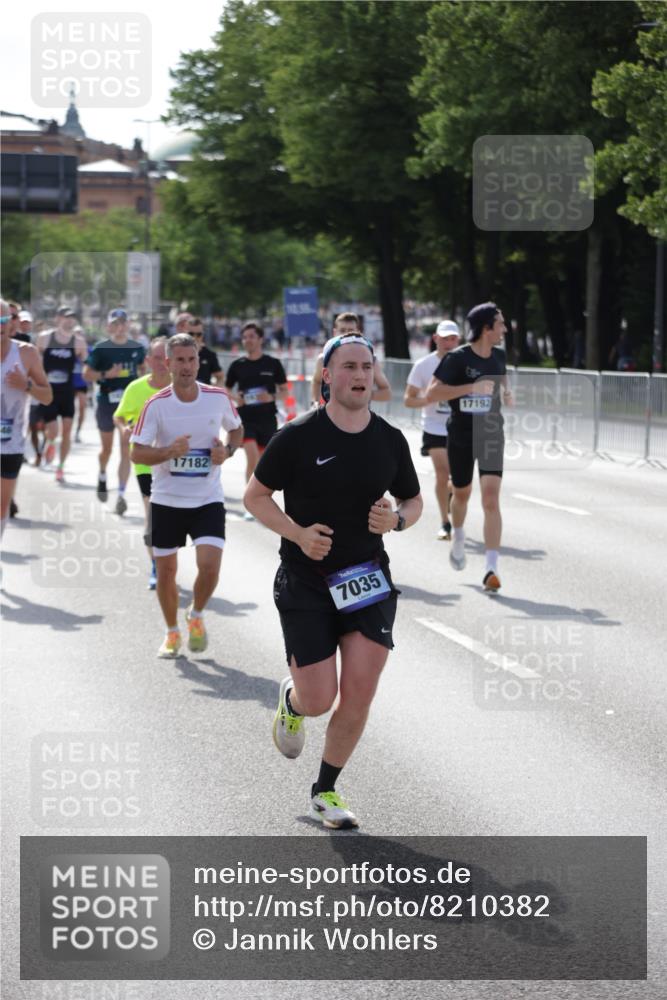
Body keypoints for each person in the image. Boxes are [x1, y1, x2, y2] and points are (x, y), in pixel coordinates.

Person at [244, 334, 423, 830]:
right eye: (349, 366)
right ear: (327, 374)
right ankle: (294, 701)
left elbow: (413, 501)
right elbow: (255, 496)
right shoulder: (298, 436)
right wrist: (299, 534)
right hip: (307, 581)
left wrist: (399, 522)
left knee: (360, 691)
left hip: (367, 578)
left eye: (366, 366)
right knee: (320, 699)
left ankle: (325, 790)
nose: (360, 375)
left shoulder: (389, 439)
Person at [131, 333, 244, 657]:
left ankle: (195, 616)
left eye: (191, 359)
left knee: (209, 567)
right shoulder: (156, 405)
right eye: (179, 360)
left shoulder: (216, 397)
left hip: (207, 498)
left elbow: (236, 429)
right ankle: (171, 633)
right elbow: (137, 454)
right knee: (166, 573)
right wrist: (168, 451)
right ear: (167, 364)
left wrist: (229, 450)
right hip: (167, 500)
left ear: (198, 361)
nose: (186, 366)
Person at [425, 302, 512, 592]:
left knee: (491, 499)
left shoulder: (499, 357)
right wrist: (469, 388)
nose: (504, 329)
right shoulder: (458, 358)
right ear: (486, 327)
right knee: (461, 493)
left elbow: (502, 384)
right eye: (500, 324)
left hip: (491, 435)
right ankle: (459, 536)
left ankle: (491, 568)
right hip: (461, 435)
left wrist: (508, 395)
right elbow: (432, 392)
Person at [113, 337, 171, 590]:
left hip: (175, 462)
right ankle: (157, 565)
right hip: (146, 462)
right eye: (156, 358)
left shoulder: (181, 388)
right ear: (148, 361)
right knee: (153, 515)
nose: (161, 363)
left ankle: (166, 556)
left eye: (165, 358)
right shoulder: (135, 389)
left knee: (173, 517)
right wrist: (125, 428)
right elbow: (119, 416)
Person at [83, 308, 146, 514]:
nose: (119, 327)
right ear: (109, 326)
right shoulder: (101, 349)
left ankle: (121, 494)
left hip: (129, 405)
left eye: (123, 323)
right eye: (115, 323)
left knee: (125, 449)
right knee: (107, 449)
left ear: (128, 325)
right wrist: (106, 374)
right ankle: (102, 473)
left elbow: (144, 370)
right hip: (107, 401)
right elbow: (86, 374)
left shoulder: (137, 347)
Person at [404, 320, 460, 540]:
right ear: (435, 339)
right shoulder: (423, 365)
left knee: (458, 481)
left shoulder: (465, 364)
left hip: (460, 427)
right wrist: (430, 398)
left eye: (453, 338)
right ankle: (445, 522)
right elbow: (408, 400)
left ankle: (453, 510)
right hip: (434, 427)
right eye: (444, 338)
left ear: (459, 340)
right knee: (442, 473)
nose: (448, 343)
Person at [1, 299, 52, 537]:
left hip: (10, 445)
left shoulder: (26, 354)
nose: (1, 325)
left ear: (12, 322)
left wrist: (26, 384)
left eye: (4, 319)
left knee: (2, 506)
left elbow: (47, 396)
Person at [224, 322, 288, 492]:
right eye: (244, 337)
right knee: (251, 458)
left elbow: (285, 391)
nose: (247, 340)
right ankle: (249, 500)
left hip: (267, 419)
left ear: (261, 339)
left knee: (262, 464)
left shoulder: (273, 363)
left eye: (251, 336)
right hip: (246, 419)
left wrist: (271, 397)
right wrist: (236, 398)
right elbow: (226, 389)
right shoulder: (238, 365)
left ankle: (257, 497)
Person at [36, 309, 88, 483]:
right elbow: (35, 361)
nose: (69, 320)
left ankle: (61, 467)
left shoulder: (78, 342)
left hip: (67, 391)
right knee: (53, 430)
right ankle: (50, 444)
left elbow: (87, 364)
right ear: (58, 318)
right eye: (66, 317)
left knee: (66, 431)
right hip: (48, 391)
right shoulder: (45, 338)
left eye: (72, 317)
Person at [310, 312, 392, 405]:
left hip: (359, 417)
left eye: (350, 330)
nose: (346, 334)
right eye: (342, 330)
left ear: (358, 332)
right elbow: (316, 381)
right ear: (334, 332)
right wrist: (314, 402)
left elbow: (387, 393)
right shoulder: (324, 359)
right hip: (330, 416)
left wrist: (362, 393)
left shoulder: (370, 360)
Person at [190, 318, 224, 386]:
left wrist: (212, 392)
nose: (194, 337)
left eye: (198, 334)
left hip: (202, 395)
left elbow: (220, 378)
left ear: (202, 335)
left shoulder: (209, 355)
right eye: (191, 334)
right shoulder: (178, 353)